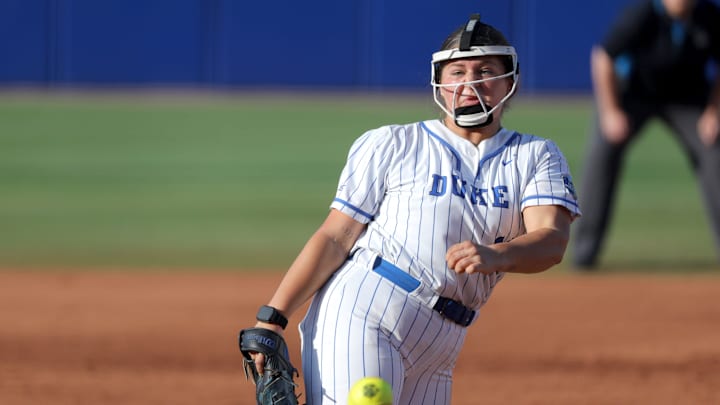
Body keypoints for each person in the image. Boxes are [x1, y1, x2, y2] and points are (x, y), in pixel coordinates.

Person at [243, 13, 581, 405]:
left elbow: (551, 242)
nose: (469, 82)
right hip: (367, 309)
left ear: (510, 83)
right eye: (457, 71)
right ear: (440, 80)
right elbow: (336, 237)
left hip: (444, 341)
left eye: (485, 70)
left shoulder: (535, 155)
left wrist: (497, 254)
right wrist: (272, 317)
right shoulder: (394, 143)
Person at [572, 0, 720, 269]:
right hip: (635, 95)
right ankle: (584, 255)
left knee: (715, 152)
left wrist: (714, 111)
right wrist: (611, 112)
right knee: (603, 151)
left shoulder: (708, 15)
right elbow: (603, 57)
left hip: (688, 99)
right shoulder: (641, 15)